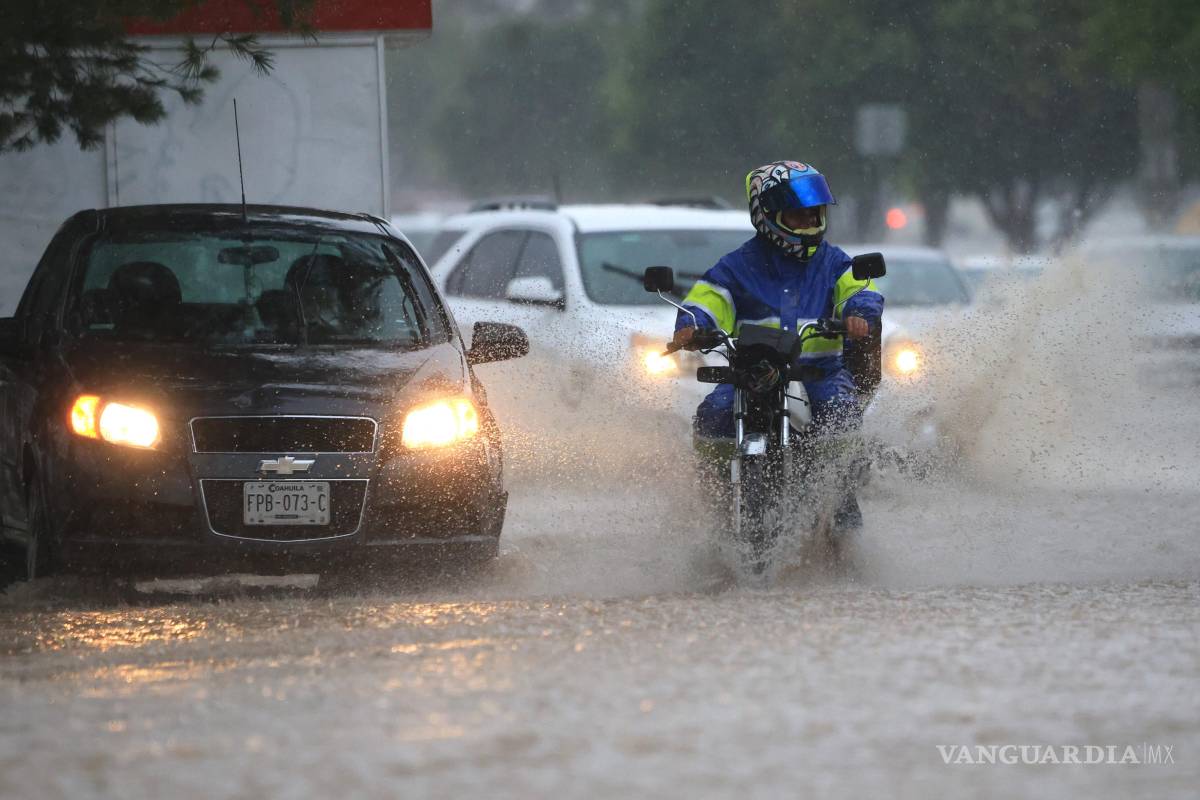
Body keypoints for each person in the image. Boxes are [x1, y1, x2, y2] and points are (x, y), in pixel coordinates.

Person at [670, 160, 884, 530]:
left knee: (838, 412)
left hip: (821, 372)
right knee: (712, 414)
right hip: (750, 372)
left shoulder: (836, 263)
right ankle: (715, 505)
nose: (808, 223)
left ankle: (840, 502)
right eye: (798, 216)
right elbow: (709, 299)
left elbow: (860, 292)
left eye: (813, 214)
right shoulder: (736, 265)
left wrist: (859, 315)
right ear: (766, 216)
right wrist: (691, 325)